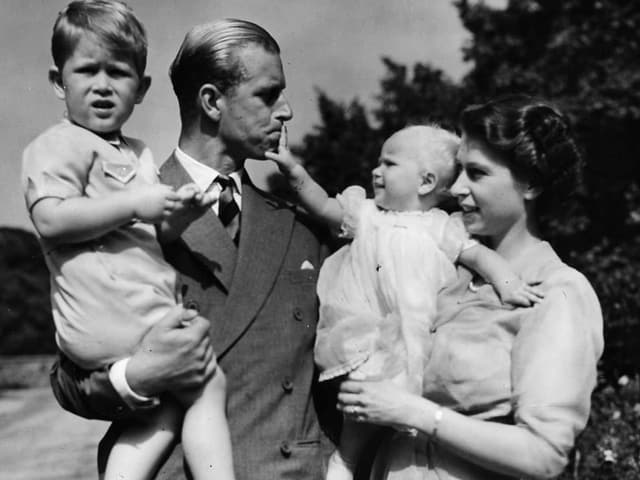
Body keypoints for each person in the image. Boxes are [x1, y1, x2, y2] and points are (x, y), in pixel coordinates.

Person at [47, 17, 336, 480]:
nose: (287, 112)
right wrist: (139, 375)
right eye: (267, 94)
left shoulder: (302, 228)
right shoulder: (115, 215)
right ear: (211, 101)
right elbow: (70, 381)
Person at [336, 95, 604, 480]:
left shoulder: (557, 292)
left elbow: (544, 455)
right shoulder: (444, 274)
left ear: (529, 184)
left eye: (476, 174)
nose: (456, 188)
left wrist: (415, 412)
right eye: (458, 170)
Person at [22, 2, 237, 479]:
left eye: (118, 74)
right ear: (60, 81)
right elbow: (52, 221)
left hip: (136, 312)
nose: (102, 85)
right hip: (109, 315)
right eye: (87, 71)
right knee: (206, 383)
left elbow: (147, 234)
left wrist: (177, 217)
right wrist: (136, 204)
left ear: (140, 90)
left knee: (164, 406)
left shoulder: (137, 153)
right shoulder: (57, 145)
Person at [266, 124, 542, 480]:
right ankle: (346, 460)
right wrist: (292, 169)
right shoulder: (366, 215)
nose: (375, 171)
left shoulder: (443, 227)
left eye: (389, 164)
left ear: (425, 182)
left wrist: (509, 285)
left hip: (420, 332)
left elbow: (482, 259)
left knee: (411, 403)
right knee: (365, 395)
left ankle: (398, 457)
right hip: (369, 329)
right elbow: (322, 205)